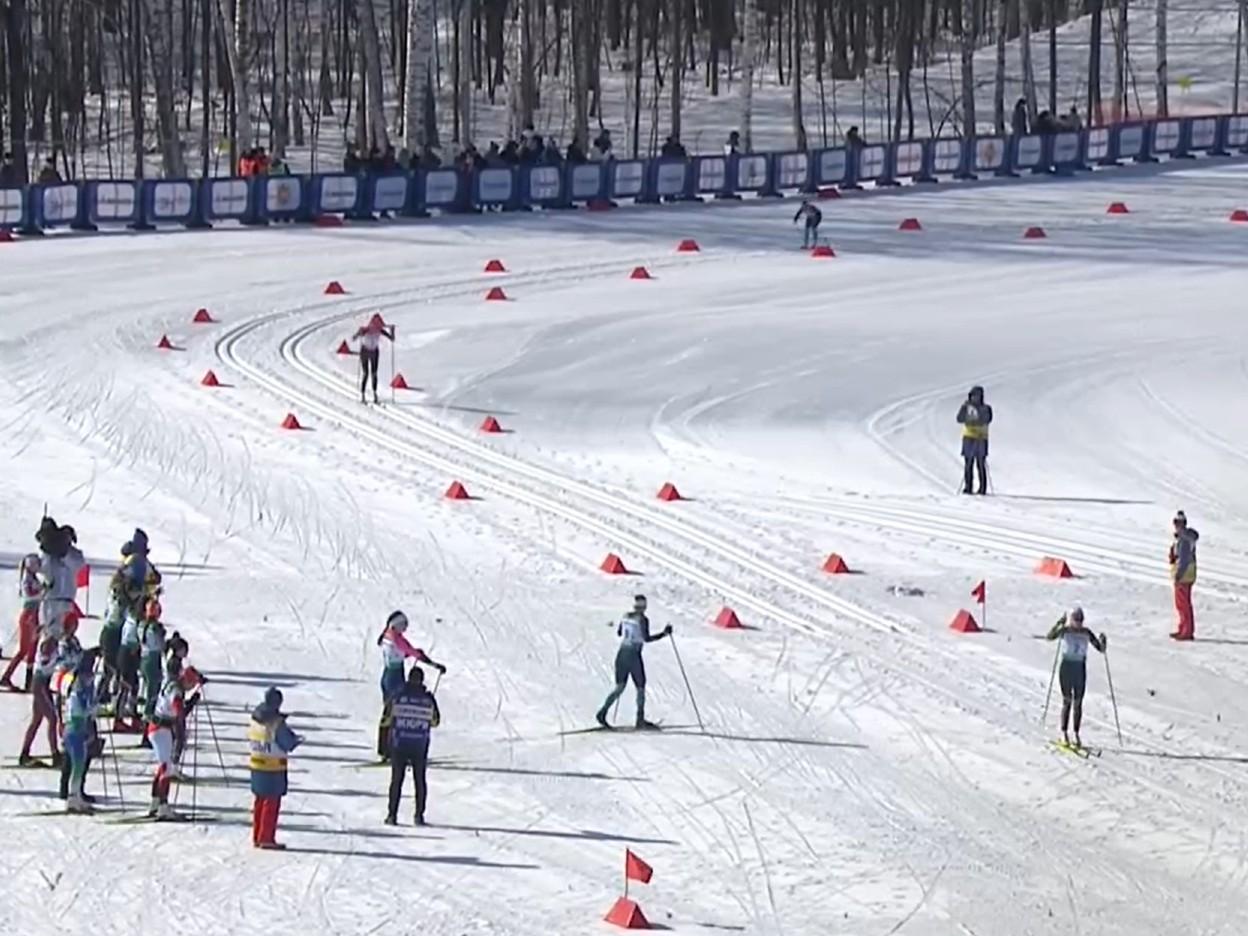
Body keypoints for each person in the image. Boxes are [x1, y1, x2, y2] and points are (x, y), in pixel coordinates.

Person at [595, 595, 671, 730]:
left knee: (620, 687)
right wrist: (664, 634)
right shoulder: (643, 619)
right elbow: (646, 639)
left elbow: (619, 632)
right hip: (634, 655)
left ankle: (602, 712)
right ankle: (639, 719)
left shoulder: (625, 616)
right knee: (640, 686)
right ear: (644, 607)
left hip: (621, 653)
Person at [376, 611, 445, 759]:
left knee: (388, 712)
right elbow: (413, 652)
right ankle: (393, 749)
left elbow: (400, 652)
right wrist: (434, 664)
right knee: (398, 712)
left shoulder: (387, 636)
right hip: (396, 677)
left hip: (387, 675)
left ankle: (384, 749)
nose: (405, 629)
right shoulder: (397, 638)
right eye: (403, 626)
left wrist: (409, 653)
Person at [386, 665, 441, 826]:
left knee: (396, 780)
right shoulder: (428, 698)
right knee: (420, 780)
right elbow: (435, 721)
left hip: (399, 743)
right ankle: (418, 815)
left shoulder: (397, 695)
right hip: (419, 745)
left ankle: (392, 815)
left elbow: (387, 718)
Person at [248, 687, 303, 849]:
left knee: (259, 801)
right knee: (271, 804)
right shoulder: (275, 722)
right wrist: (296, 740)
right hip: (272, 767)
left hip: (256, 764)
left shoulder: (255, 718)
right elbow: (287, 742)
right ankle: (266, 838)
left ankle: (258, 835)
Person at [1045, 607, 1106, 750]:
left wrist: (1103, 641)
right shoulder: (1065, 630)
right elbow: (1049, 637)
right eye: (1076, 620)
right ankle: (1064, 732)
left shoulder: (1086, 632)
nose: (1078, 623)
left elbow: (1100, 648)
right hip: (1067, 668)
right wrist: (1059, 623)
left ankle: (1076, 734)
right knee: (1067, 701)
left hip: (1080, 669)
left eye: (1080, 620)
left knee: (1078, 702)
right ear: (1071, 619)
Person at [146, 656, 186, 818]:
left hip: (157, 727)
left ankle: (155, 801)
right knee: (166, 768)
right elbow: (178, 710)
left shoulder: (167, 682)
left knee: (162, 766)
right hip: (162, 730)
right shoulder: (175, 688)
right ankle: (163, 805)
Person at [36, 518, 84, 640]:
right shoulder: (47, 556)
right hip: (50, 600)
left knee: (65, 636)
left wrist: (64, 554)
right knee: (49, 636)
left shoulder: (74, 554)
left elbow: (79, 564)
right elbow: (43, 568)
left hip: (66, 601)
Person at [62, 653, 98, 814]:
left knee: (80, 764)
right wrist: (91, 710)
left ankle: (76, 796)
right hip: (74, 730)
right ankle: (72, 798)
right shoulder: (76, 692)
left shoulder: (82, 689)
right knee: (76, 766)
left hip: (79, 730)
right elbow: (78, 711)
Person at [1, 554, 43, 691]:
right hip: (28, 616)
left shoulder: (33, 578)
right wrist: (42, 592)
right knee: (24, 649)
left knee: (32, 649)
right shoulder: (27, 579)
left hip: (34, 615)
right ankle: (6, 676)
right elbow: (29, 594)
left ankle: (28, 681)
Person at [18, 636, 61, 767]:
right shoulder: (48, 643)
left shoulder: (56, 642)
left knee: (37, 719)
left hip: (43, 683)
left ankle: (24, 753)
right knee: (52, 719)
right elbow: (44, 661)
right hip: (40, 684)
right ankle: (55, 754)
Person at [956, 385, 993, 495]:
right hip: (968, 437)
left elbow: (987, 419)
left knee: (980, 463)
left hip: (981, 438)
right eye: (973, 396)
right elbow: (959, 419)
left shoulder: (986, 408)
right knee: (968, 463)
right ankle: (968, 487)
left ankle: (982, 488)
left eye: (977, 396)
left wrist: (975, 419)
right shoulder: (966, 407)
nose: (975, 398)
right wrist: (965, 411)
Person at [352, 315, 396, 405]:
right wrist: (359, 333)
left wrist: (392, 331)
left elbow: (392, 339)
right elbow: (354, 338)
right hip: (365, 351)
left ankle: (375, 395)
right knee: (366, 373)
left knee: (374, 373)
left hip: (374, 352)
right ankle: (363, 395)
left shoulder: (379, 330)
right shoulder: (366, 330)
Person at [138, 598, 167, 737]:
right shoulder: (154, 628)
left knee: (148, 692)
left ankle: (145, 723)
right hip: (152, 659)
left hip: (144, 658)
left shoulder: (141, 625)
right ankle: (146, 730)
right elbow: (160, 645)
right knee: (152, 695)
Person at [1169, 511, 1199, 641]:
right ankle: (1183, 628)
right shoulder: (1183, 539)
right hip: (1187, 574)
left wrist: (1178, 575)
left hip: (1184, 576)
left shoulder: (1184, 540)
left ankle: (1186, 631)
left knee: (1183, 604)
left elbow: (1184, 559)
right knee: (1182, 604)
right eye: (1175, 522)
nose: (1176, 526)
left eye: (1178, 523)